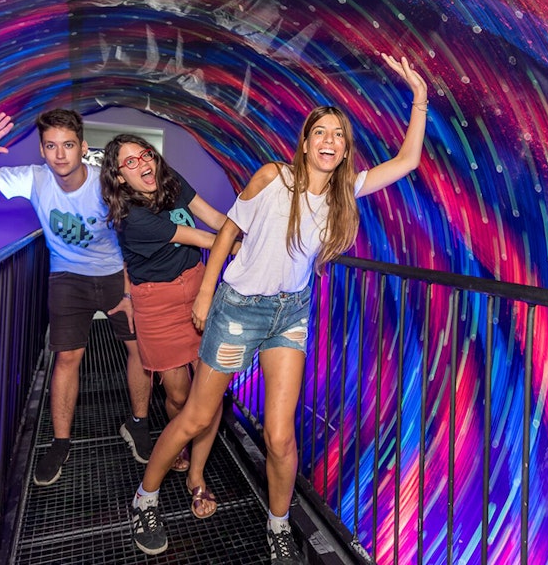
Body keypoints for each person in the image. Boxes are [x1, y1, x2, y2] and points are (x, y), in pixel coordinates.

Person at [127, 54, 429, 562]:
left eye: (339, 135)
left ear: (343, 148)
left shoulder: (344, 193)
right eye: (321, 133)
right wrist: (205, 293)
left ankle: (279, 525)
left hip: (290, 316)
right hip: (238, 310)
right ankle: (146, 497)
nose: (330, 142)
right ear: (306, 141)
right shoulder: (273, 178)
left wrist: (418, 99)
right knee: (197, 417)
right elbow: (229, 229)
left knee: (280, 435)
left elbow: (408, 162)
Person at [0, 108, 153, 486]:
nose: (60, 154)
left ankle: (138, 423)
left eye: (68, 145)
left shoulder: (104, 183)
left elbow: (134, 232)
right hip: (66, 278)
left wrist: (128, 287)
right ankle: (61, 442)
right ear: (42, 151)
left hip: (112, 275)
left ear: (82, 148)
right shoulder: (33, 178)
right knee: (66, 358)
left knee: (138, 348)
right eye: (51, 146)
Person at [100, 134, 236, 520]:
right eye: (130, 162)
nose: (144, 163)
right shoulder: (131, 217)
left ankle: (196, 474)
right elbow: (205, 238)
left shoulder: (168, 178)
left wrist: (250, 234)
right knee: (178, 394)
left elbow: (214, 219)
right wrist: (255, 251)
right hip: (157, 306)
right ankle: (175, 437)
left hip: (198, 287)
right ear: (119, 178)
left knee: (209, 397)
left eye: (146, 154)